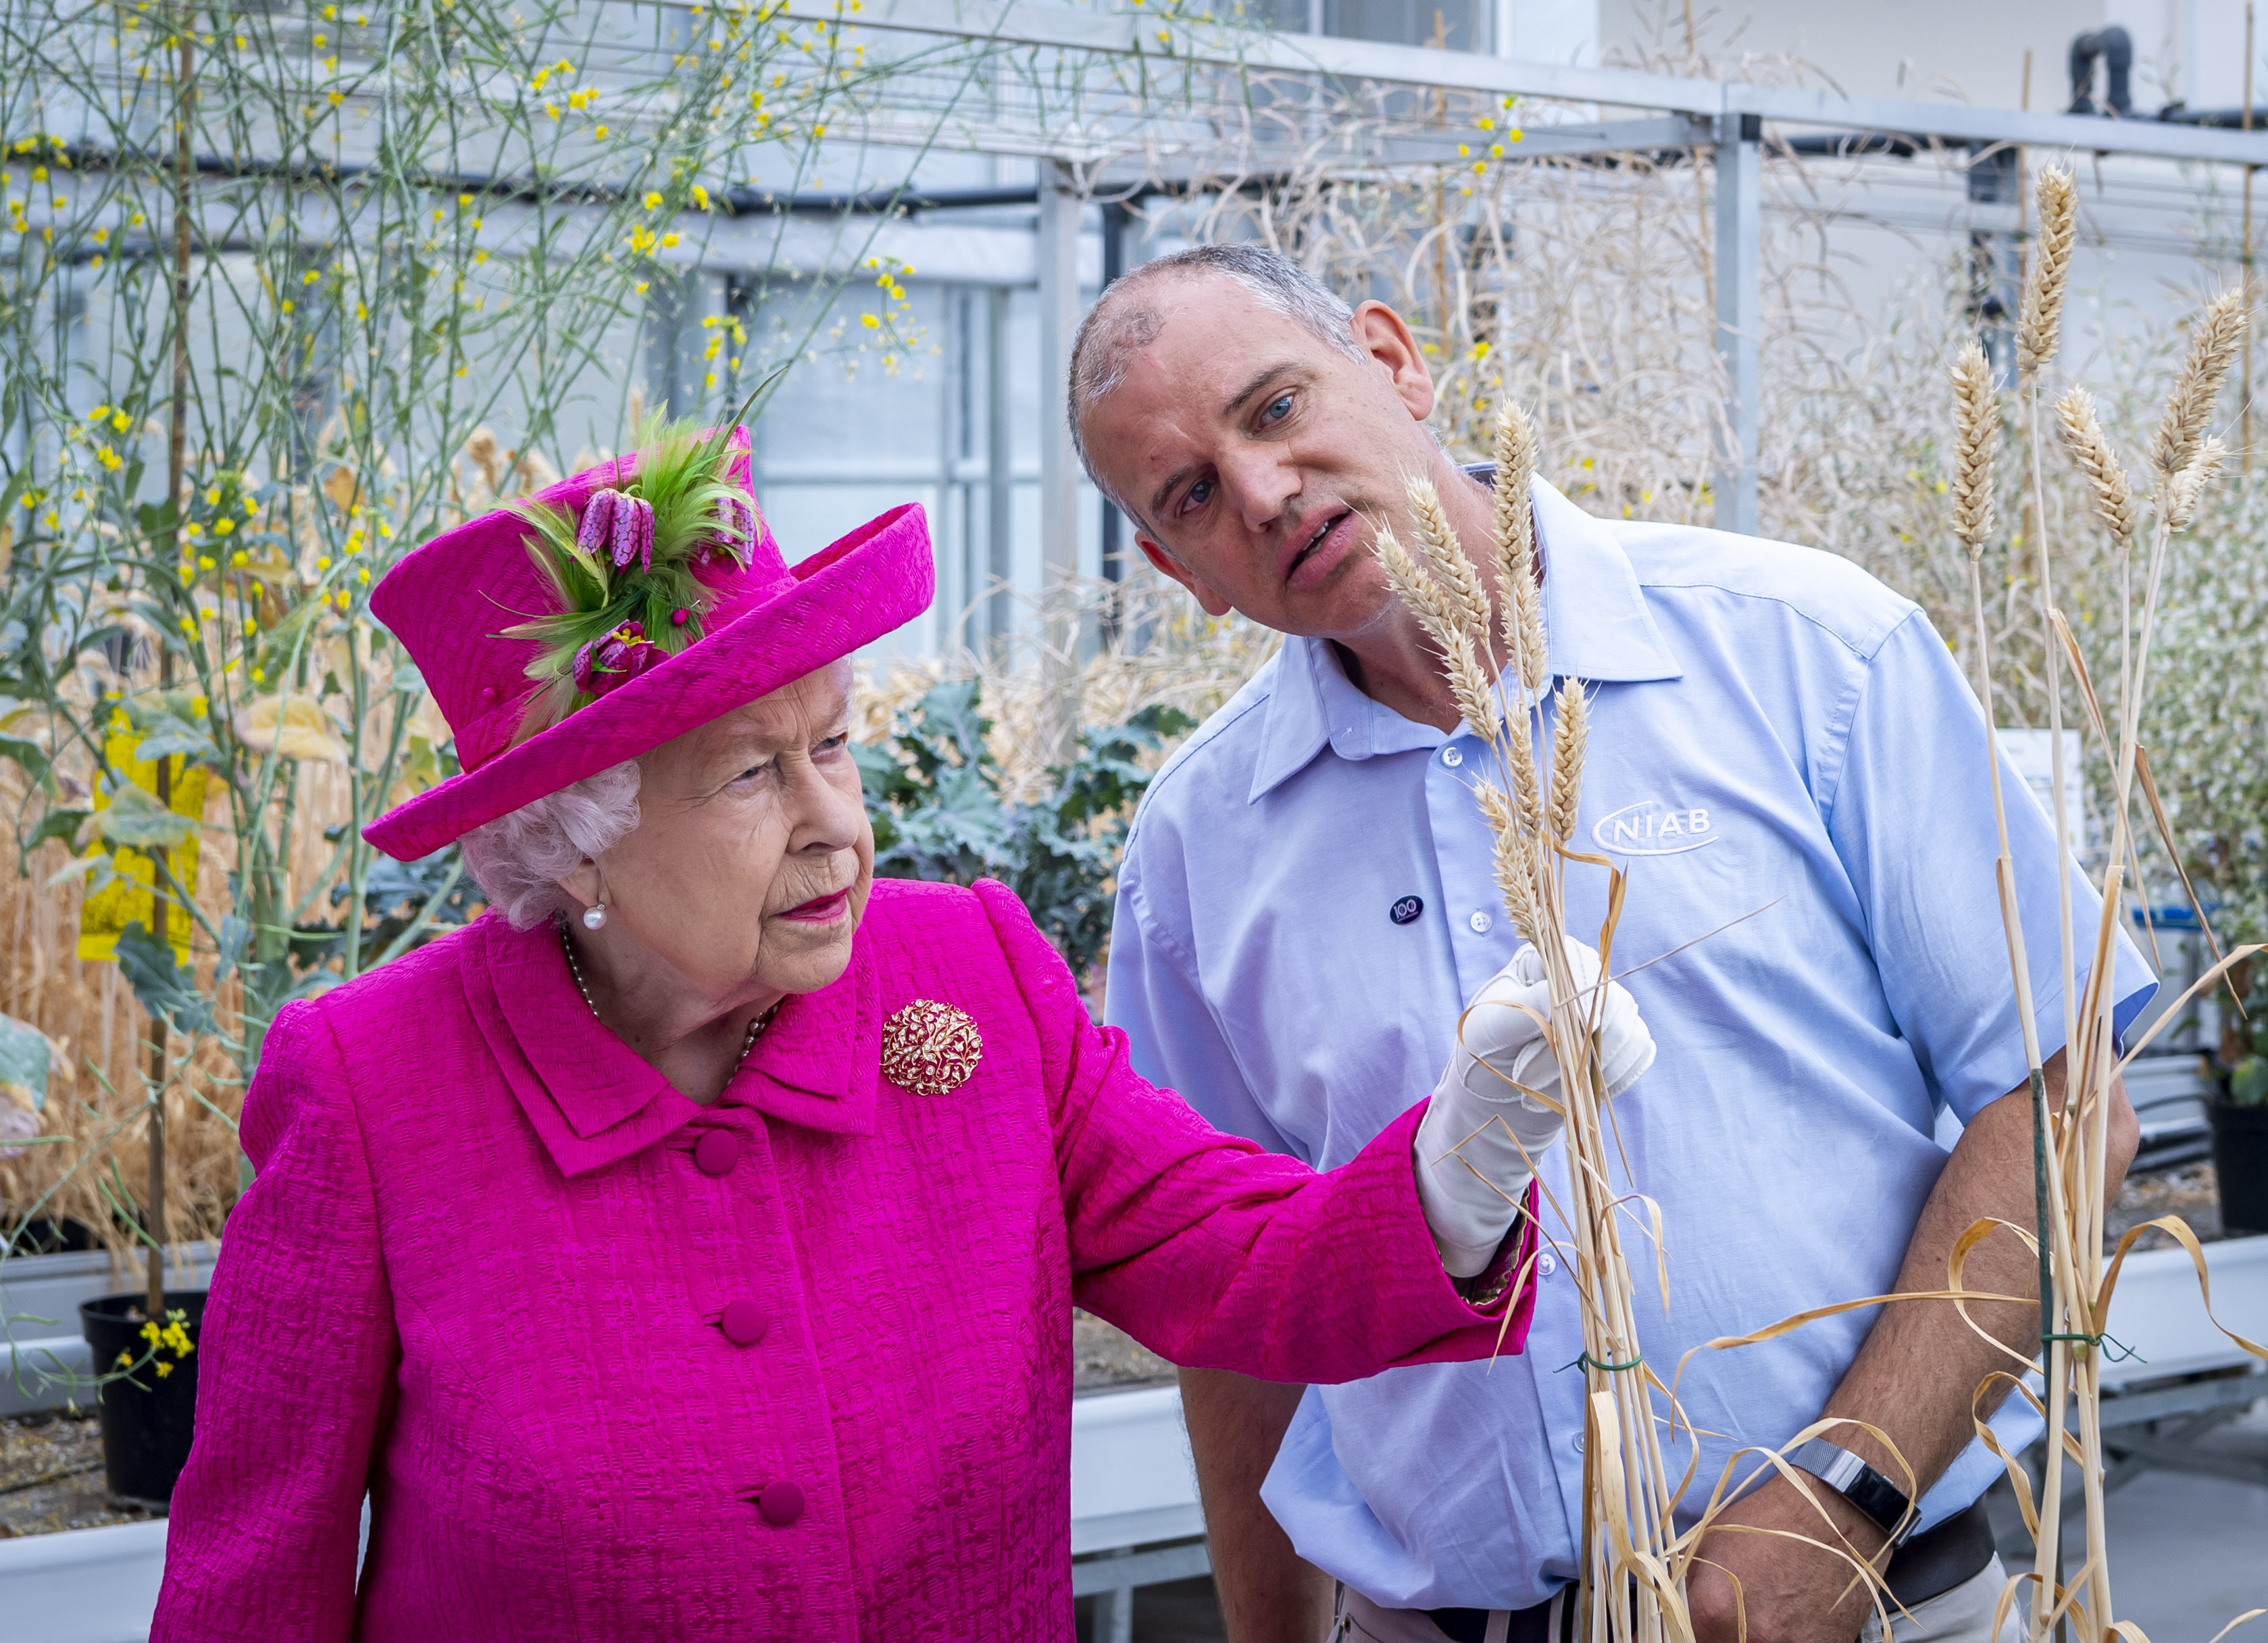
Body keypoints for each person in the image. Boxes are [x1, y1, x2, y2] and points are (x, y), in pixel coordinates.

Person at [152, 416, 1653, 1641]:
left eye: (835, 744)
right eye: (751, 777)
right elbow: (251, 1585)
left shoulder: (971, 973)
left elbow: (1244, 1267)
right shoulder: (372, 1085)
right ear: (571, 837)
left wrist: (1459, 1165)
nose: (836, 826)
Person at [1070, 244, 2158, 1643]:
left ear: (1396, 361)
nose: (1267, 492)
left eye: (1275, 409)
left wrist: (1843, 1495)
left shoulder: (1807, 653)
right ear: (1180, 573)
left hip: (1880, 1601)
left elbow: (2069, 1101)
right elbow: (1229, 1304)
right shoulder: (1194, 854)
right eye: (1194, 497)